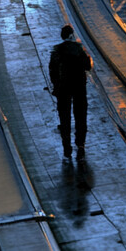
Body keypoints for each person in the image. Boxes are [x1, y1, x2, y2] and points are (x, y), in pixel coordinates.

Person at [49, 24, 92, 161]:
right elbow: (88, 67)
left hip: (63, 89)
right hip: (79, 87)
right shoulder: (79, 49)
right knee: (80, 116)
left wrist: (56, 85)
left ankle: (66, 147)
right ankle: (80, 145)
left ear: (62, 36)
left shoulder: (56, 51)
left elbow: (52, 71)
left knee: (64, 118)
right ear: (72, 35)